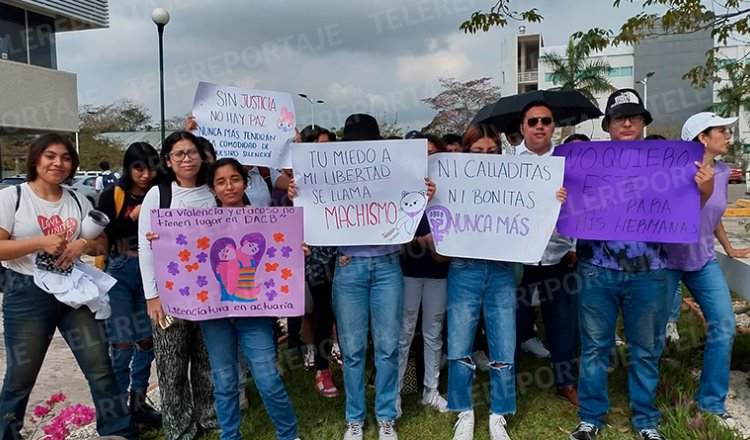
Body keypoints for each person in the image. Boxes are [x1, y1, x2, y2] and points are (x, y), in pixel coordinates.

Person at [569, 89, 714, 440]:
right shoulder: (585, 162)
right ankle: (590, 417)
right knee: (593, 349)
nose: (628, 122)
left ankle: (646, 421)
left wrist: (705, 190)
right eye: (620, 117)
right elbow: (564, 207)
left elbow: (685, 213)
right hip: (596, 269)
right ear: (608, 125)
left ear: (645, 123)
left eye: (635, 116)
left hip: (651, 272)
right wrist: (562, 199)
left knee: (646, 350)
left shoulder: (669, 163)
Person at [289, 114, 436, 440]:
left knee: (386, 347)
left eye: (367, 141)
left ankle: (385, 418)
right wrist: (298, 196)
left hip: (386, 268)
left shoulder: (395, 174)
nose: (361, 147)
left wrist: (423, 195)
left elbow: (416, 223)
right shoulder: (333, 176)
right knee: (353, 350)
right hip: (349, 266)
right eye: (356, 142)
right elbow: (309, 216)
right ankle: (354, 420)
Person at [0, 133, 136, 440]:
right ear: (36, 159)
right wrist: (38, 243)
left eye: (65, 158)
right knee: (21, 375)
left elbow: (102, 245)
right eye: (50, 156)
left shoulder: (76, 199)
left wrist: (83, 244)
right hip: (27, 292)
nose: (57, 163)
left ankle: (118, 432)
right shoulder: (13, 197)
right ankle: (7, 434)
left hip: (75, 291)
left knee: (100, 366)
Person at [449, 123, 567, 440]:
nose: (486, 158)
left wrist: (551, 199)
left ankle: (498, 414)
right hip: (464, 270)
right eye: (477, 152)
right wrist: (432, 196)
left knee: (504, 343)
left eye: (492, 152)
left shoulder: (512, 182)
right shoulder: (451, 182)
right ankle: (464, 412)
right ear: (464, 153)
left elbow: (534, 217)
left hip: (502, 272)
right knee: (459, 344)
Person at [199, 158, 301, 440]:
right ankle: (230, 435)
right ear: (212, 188)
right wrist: (161, 240)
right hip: (215, 314)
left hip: (255, 313)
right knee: (224, 381)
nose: (229, 186)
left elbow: (282, 251)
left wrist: (295, 248)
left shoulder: (266, 219)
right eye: (221, 181)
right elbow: (183, 256)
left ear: (245, 183)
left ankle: (289, 433)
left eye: (234, 179)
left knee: (268, 378)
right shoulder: (197, 224)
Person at [663, 112, 750, 428]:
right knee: (646, 332)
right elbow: (675, 220)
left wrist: (728, 247)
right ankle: (643, 394)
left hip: (703, 261)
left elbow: (713, 217)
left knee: (724, 324)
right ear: (702, 137)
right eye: (722, 131)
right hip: (667, 262)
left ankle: (711, 402)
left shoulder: (725, 172)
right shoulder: (674, 173)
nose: (728, 136)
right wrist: (700, 192)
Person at [138, 130, 218, 440]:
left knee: (206, 360)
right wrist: (152, 295)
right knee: (171, 367)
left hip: (211, 293)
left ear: (202, 156)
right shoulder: (159, 195)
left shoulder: (214, 191)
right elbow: (146, 248)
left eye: (192, 152)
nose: (187, 158)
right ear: (169, 161)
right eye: (179, 154)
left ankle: (208, 418)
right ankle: (179, 427)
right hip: (170, 296)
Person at [515, 102, 579, 407]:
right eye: (533, 121)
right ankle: (508, 382)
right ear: (522, 127)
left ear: (554, 126)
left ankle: (565, 382)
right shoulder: (506, 164)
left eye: (546, 121)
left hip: (558, 256)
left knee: (561, 323)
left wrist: (574, 246)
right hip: (518, 260)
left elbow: (584, 207)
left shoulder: (568, 163)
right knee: (513, 321)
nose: (540, 126)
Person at [98, 142, 163, 430]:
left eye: (151, 167)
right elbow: (104, 233)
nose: (146, 174)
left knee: (148, 338)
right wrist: (133, 218)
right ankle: (118, 412)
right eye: (139, 168)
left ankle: (138, 402)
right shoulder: (112, 194)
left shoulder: (163, 191)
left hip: (154, 270)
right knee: (122, 342)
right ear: (128, 168)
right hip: (121, 269)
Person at [396, 133, 449, 415]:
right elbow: (390, 232)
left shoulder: (449, 187)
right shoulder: (399, 186)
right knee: (403, 333)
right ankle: (395, 393)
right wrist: (421, 241)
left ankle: (431, 389)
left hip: (439, 272)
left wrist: (447, 249)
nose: (426, 157)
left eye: (432, 151)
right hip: (407, 272)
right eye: (421, 152)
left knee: (433, 332)